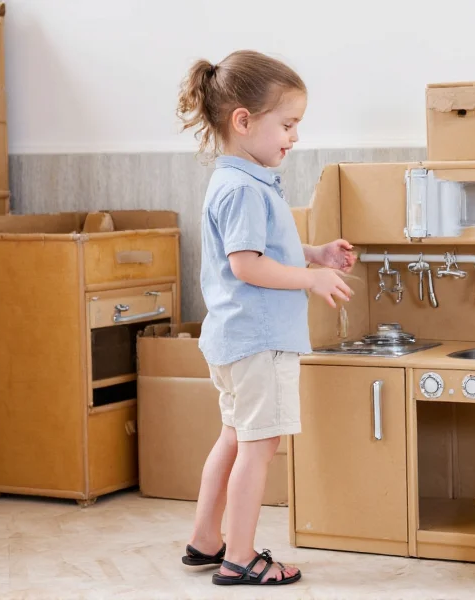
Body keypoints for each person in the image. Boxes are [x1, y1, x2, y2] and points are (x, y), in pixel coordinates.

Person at [175, 49, 356, 587]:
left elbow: (266, 247)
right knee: (260, 446)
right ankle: (242, 556)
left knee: (233, 436)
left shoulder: (241, 181)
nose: (294, 137)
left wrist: (315, 253)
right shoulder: (243, 188)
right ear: (243, 121)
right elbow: (248, 265)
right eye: (288, 124)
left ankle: (207, 539)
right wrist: (312, 279)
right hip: (260, 342)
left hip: (236, 340)